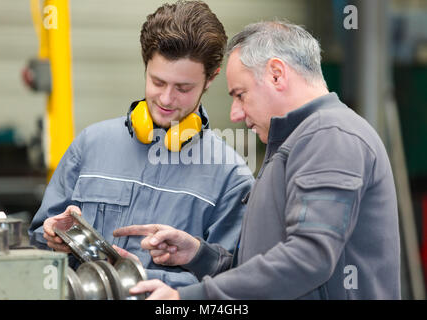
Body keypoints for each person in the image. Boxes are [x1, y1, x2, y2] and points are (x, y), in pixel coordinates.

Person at [115, 19, 401, 299]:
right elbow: (266, 271)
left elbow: (307, 259)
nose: (235, 114)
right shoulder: (296, 142)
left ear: (277, 74)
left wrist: (188, 297)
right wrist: (199, 255)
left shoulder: (329, 136)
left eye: (240, 95)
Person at [28, 0, 254, 288]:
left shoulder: (231, 178)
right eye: (158, 82)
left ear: (211, 79)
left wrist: (155, 282)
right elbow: (38, 249)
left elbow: (234, 283)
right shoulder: (90, 145)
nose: (167, 99)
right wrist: (51, 237)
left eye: (183, 88)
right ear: (145, 65)